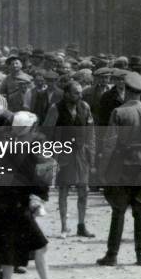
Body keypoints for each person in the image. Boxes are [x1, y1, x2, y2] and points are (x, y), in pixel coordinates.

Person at [0, 111, 67, 279]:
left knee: (10, 246)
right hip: (16, 205)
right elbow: (36, 178)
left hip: (2, 204)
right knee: (41, 246)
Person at [97, 72, 141, 267]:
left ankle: (112, 255)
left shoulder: (118, 113)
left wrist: (102, 170)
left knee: (118, 211)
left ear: (127, 90)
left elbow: (109, 145)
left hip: (121, 166)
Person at [43, 81, 96, 238]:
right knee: (64, 190)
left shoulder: (85, 107)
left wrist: (91, 155)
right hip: (64, 154)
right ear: (66, 93)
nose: (79, 95)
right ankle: (64, 227)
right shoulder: (55, 109)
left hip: (81, 154)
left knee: (83, 191)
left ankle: (81, 225)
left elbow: (91, 133)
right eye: (75, 93)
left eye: (80, 92)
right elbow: (47, 133)